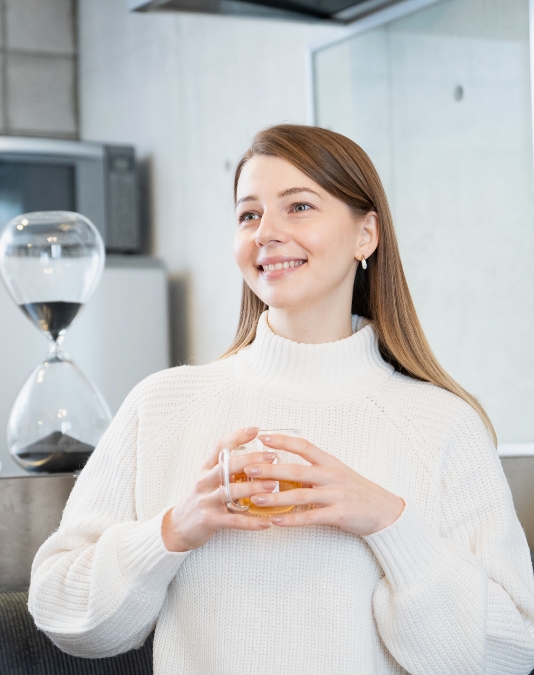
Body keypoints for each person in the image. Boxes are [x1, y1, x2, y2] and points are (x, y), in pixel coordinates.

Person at [29, 125, 534, 675]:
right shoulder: (161, 406)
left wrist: (388, 523)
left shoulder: (443, 425)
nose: (266, 233)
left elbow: (510, 653)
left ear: (366, 234)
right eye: (249, 215)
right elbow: (61, 612)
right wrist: (174, 529)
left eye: (298, 207)